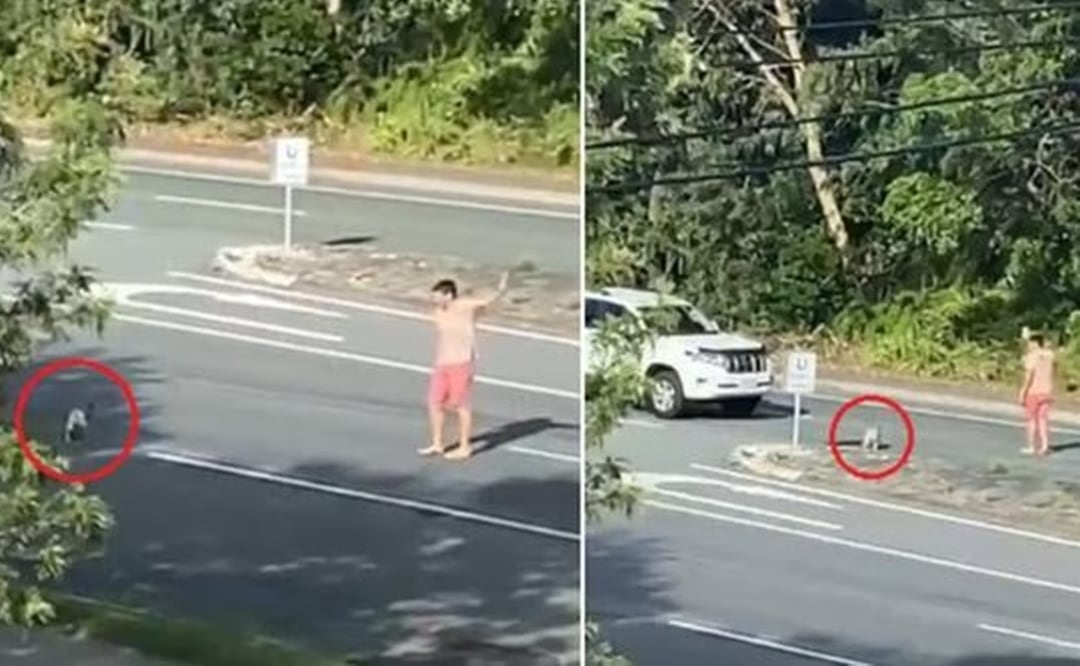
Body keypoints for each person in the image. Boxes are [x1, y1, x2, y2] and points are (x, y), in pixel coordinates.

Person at [419, 272, 509, 461]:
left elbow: (487, 302)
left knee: (461, 405)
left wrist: (500, 289)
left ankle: (465, 447)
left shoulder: (465, 306)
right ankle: (437, 443)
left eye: (437, 296)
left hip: (461, 362)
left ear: (449, 295)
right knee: (434, 402)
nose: (434, 300)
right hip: (442, 363)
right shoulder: (438, 313)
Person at [1019, 330, 1055, 456]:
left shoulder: (1031, 357)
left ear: (1034, 343)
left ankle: (1031, 446)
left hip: (1033, 391)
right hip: (1047, 390)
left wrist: (1023, 391)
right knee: (1043, 419)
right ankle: (1045, 446)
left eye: (1030, 343)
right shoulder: (1050, 355)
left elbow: (1029, 376)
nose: (1028, 345)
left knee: (1031, 420)